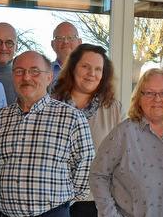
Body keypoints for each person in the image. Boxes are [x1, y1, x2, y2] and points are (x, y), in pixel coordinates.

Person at [0, 51, 94, 217]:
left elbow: (84, 173)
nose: (26, 77)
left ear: (49, 78)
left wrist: (60, 203)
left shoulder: (72, 118)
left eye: (35, 71)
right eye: (19, 71)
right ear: (13, 76)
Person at [90, 68, 163, 216]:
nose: (157, 99)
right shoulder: (123, 133)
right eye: (149, 93)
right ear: (139, 97)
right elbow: (98, 175)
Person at [51, 44, 127, 217]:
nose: (91, 73)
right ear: (72, 68)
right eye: (85, 66)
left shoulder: (114, 109)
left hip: (96, 201)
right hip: (55, 200)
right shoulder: (51, 103)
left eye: (98, 69)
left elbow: (125, 157)